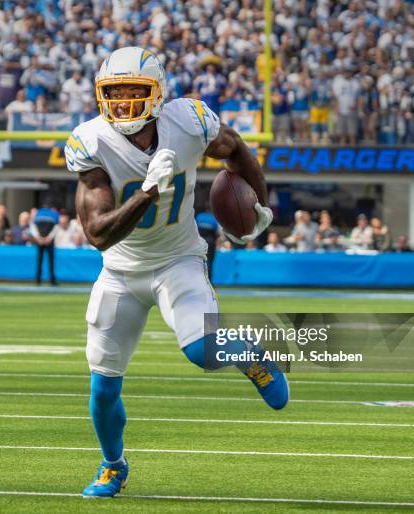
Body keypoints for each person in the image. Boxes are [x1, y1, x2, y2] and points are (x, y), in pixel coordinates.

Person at [65, 47, 288, 499]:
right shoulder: (90, 141)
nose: (124, 103)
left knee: (202, 350)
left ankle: (254, 358)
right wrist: (149, 190)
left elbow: (237, 151)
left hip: (177, 260)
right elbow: (97, 233)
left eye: (135, 92)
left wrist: (259, 207)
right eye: (115, 92)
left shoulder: (188, 121)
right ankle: (113, 466)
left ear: (158, 93)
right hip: (120, 271)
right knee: (103, 388)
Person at [29, 206, 59, 285]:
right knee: (50, 261)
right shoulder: (54, 214)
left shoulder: (38, 213)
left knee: (40, 260)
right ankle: (51, 281)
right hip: (48, 240)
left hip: (42, 239)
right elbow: (56, 227)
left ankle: (38, 280)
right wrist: (49, 238)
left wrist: (38, 238)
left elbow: (33, 226)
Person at [195, 207, 220, 279]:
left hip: (199, 242)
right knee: (210, 262)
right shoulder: (214, 218)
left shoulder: (199, 216)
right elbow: (218, 233)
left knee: (198, 261)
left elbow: (195, 229)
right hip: (210, 242)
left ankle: (199, 279)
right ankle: (208, 280)